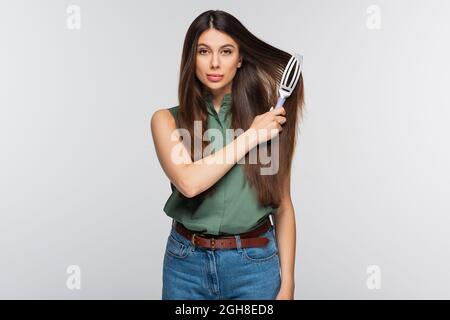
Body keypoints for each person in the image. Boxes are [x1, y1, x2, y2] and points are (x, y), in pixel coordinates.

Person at [150, 9, 304, 300]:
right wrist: (250, 137)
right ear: (191, 59)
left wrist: (289, 285)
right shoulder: (165, 121)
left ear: (240, 58)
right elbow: (189, 183)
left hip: (254, 267)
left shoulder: (268, 123)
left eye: (226, 51)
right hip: (185, 265)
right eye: (204, 51)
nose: (215, 62)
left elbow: (283, 207)